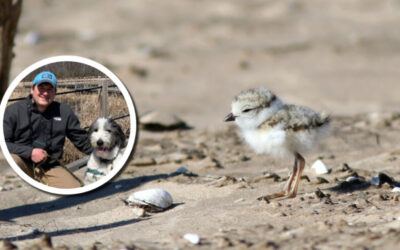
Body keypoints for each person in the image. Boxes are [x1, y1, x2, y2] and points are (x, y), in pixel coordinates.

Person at [3, 71, 92, 189]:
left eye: (50, 89)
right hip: (22, 163)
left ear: (55, 92)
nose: (45, 93)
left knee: (75, 190)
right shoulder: (13, 111)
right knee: (12, 160)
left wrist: (104, 153)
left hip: (49, 166)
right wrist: (29, 153)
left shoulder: (64, 111)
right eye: (41, 88)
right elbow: (3, 144)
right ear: (32, 89)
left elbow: (81, 140)